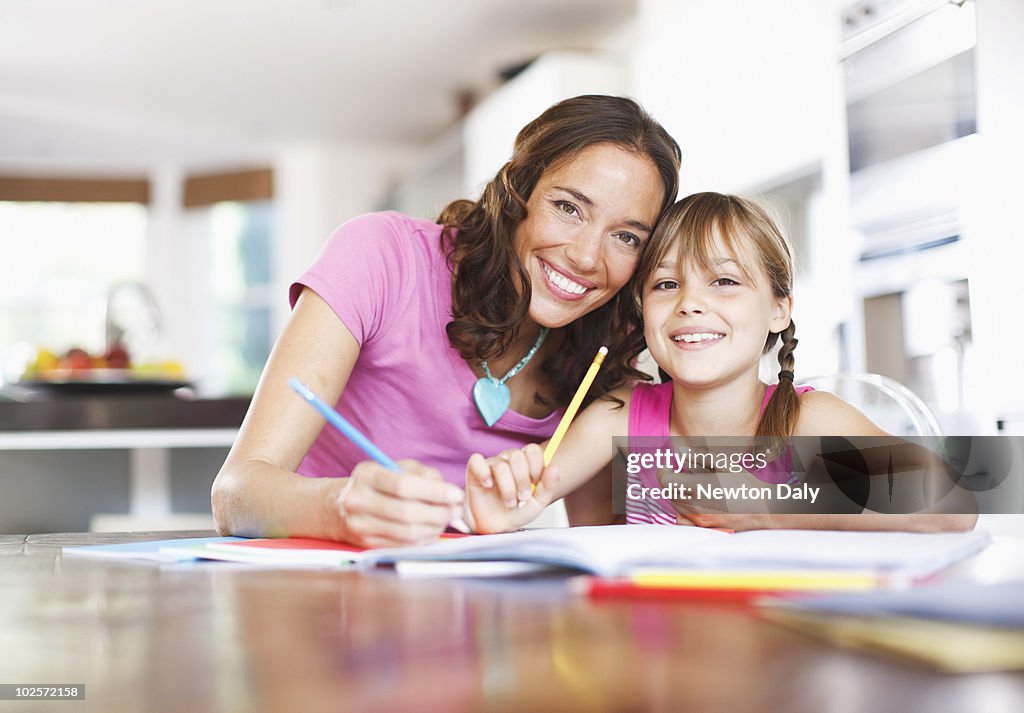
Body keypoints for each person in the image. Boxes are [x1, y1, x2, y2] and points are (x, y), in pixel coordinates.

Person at [211, 95, 683, 547]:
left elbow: (602, 540)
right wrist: (340, 505)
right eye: (568, 208)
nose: (585, 257)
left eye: (625, 237)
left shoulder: (609, 338)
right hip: (314, 594)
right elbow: (235, 493)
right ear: (517, 190)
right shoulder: (380, 255)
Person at [466, 192, 977, 533]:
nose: (690, 302)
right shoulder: (621, 414)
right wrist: (508, 505)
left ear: (779, 309)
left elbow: (955, 508)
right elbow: (537, 492)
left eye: (725, 282)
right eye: (667, 284)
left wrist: (773, 510)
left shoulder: (810, 421)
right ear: (644, 311)